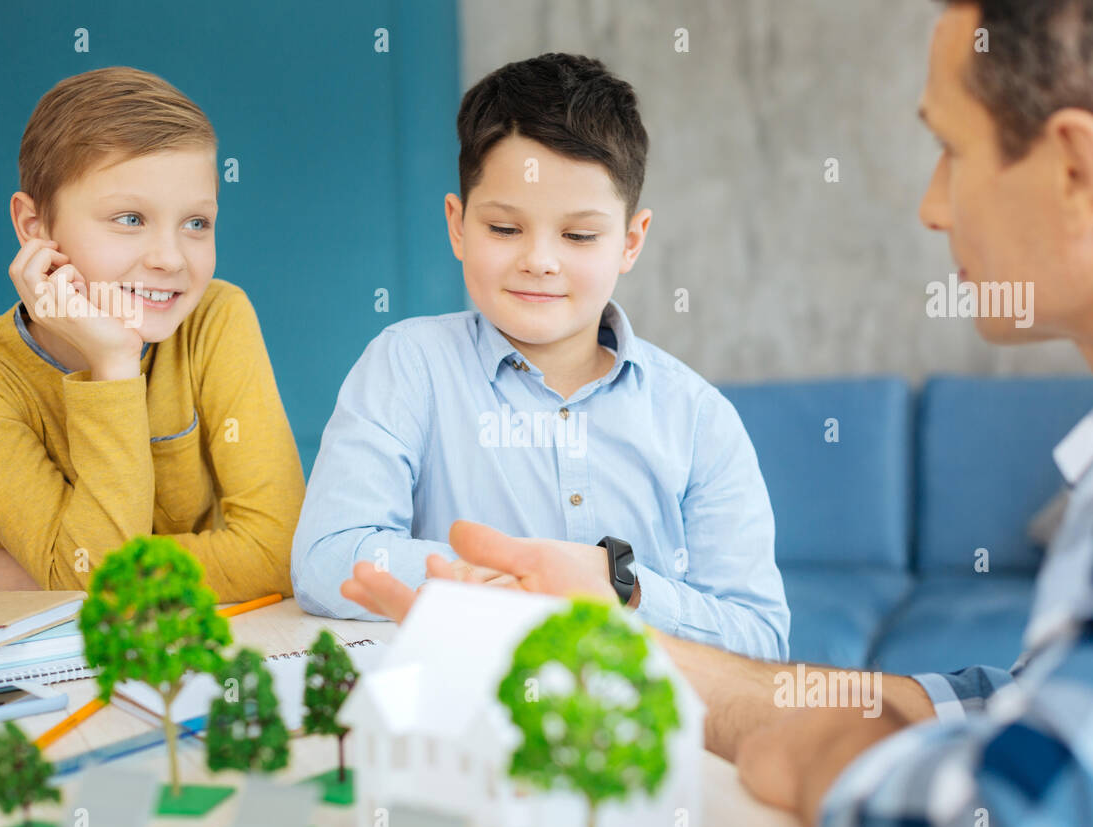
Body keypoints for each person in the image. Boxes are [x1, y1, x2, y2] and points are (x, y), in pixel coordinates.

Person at [337, 0, 1093, 827]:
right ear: (459, 222)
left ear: (1077, 172)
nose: (930, 206)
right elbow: (1022, 705)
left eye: (950, 151)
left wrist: (827, 744)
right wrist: (589, 620)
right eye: (507, 226)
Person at [291, 54, 789, 658]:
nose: (540, 261)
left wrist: (618, 587)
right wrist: (518, 580)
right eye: (505, 229)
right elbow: (326, 558)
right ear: (458, 224)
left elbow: (761, 642)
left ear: (630, 242)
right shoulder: (407, 365)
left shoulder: (697, 418)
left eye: (579, 236)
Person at [0, 67, 305, 601]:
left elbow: (277, 555)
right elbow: (85, 569)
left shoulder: (216, 317)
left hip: (182, 656)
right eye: (128, 219)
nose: (169, 258)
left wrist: (38, 578)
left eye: (196, 223)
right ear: (34, 228)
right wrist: (115, 364)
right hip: (37, 668)